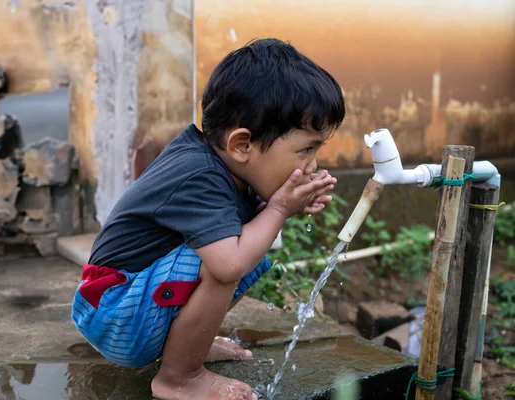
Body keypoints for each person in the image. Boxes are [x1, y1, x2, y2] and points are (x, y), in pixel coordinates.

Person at [71, 38, 345, 400]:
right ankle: (179, 377)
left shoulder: (223, 166)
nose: (312, 163)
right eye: (306, 148)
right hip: (113, 310)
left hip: (126, 302)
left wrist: (279, 208)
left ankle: (184, 347)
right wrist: (278, 210)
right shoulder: (198, 174)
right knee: (225, 261)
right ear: (242, 145)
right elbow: (228, 265)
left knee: (250, 249)